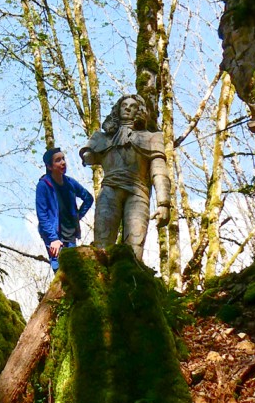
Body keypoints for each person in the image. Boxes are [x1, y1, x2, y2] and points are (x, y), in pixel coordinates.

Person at [79, 94, 171, 264]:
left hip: (138, 194)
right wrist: (89, 154)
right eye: (124, 105)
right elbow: (88, 156)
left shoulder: (152, 138)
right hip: (109, 190)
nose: (128, 108)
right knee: (102, 246)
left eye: (133, 106)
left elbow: (159, 171)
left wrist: (163, 203)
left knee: (134, 250)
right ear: (118, 109)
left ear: (140, 110)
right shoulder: (102, 138)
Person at [35, 147, 94, 271]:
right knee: (61, 271)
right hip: (54, 236)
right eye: (58, 160)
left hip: (71, 235)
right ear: (49, 166)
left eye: (63, 159)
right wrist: (53, 239)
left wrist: (77, 217)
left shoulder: (70, 183)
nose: (63, 162)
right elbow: (42, 215)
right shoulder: (43, 185)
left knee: (73, 269)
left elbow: (88, 198)